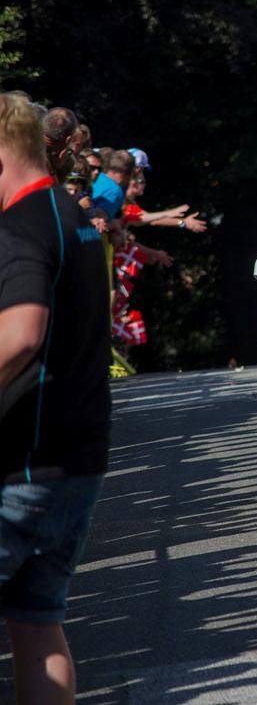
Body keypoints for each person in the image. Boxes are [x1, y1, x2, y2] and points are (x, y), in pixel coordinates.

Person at [0, 92, 111, 705]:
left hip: (22, 464)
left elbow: (20, 333)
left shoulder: (20, 227)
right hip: (76, 458)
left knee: (36, 622)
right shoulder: (73, 220)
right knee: (37, 623)